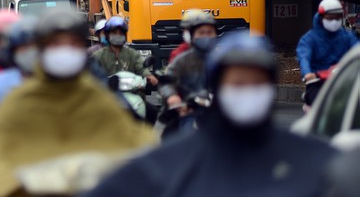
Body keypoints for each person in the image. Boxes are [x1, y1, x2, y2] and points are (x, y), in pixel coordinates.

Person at [84, 34, 337, 197]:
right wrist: (172, 96)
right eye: (238, 84)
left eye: (257, 83)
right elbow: (168, 80)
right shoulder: (163, 167)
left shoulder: (319, 161)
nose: (248, 92)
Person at [0, 10, 156, 197]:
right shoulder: (18, 101)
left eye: (73, 44)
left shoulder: (98, 99)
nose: (65, 51)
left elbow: (138, 150)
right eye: (55, 44)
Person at [158, 9, 219, 133]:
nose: (205, 36)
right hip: (189, 110)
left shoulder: (224, 58)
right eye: (201, 33)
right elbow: (167, 81)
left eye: (209, 32)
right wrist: (172, 96)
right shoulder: (182, 59)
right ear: (193, 35)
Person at [297, 0, 359, 106]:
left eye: (337, 17)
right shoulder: (309, 39)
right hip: (317, 82)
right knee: (317, 101)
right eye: (330, 18)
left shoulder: (347, 36)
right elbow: (304, 57)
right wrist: (307, 73)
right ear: (321, 17)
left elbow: (357, 50)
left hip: (344, 80)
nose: (334, 21)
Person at [92, 16, 158, 85]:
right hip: (106, 93)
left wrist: (149, 76)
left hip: (131, 91)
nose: (118, 35)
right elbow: (90, 72)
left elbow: (141, 68)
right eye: (114, 33)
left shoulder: (132, 54)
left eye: (120, 33)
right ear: (107, 35)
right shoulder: (98, 56)